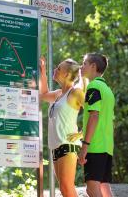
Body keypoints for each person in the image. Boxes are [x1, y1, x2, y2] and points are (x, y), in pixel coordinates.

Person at [39, 57, 85, 197]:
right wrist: (43, 72)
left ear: (66, 74)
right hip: (55, 146)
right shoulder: (59, 94)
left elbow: (95, 113)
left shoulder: (76, 92)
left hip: (67, 144)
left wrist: (82, 133)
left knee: (66, 187)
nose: (55, 70)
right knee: (64, 189)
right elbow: (44, 95)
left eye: (58, 68)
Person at [78, 53, 115, 197]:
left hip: (95, 146)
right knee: (104, 188)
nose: (82, 66)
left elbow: (94, 116)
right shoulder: (108, 90)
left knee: (92, 189)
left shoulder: (93, 87)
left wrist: (85, 146)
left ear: (93, 66)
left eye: (84, 63)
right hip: (107, 147)